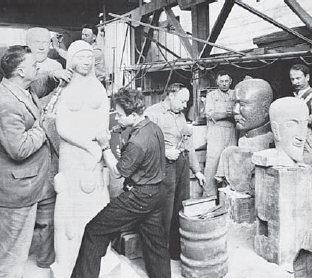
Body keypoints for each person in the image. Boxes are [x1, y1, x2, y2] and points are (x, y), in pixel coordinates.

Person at [70, 88, 171, 278]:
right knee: (156, 244)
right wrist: (120, 129)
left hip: (139, 196)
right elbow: (133, 135)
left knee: (94, 231)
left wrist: (104, 145)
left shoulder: (137, 143)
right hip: (157, 193)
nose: (116, 118)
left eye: (119, 115)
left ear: (133, 115)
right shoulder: (152, 127)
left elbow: (117, 172)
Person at [0, 45, 71, 278]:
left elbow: (38, 85)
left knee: (42, 229)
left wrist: (52, 76)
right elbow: (19, 149)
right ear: (19, 70)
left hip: (36, 181)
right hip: (16, 189)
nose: (38, 66)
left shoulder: (23, 88)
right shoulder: (4, 103)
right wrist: (43, 125)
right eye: (33, 65)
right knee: (10, 255)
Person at [50, 40, 115, 278]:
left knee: (97, 201)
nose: (86, 62)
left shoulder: (98, 88)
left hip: (95, 153)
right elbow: (62, 126)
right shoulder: (65, 89)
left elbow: (103, 120)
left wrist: (99, 145)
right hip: (74, 153)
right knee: (71, 206)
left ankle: (97, 257)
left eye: (90, 58)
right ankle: (70, 259)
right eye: (81, 57)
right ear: (72, 59)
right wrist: (88, 146)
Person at [144, 83, 206, 260]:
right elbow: (144, 144)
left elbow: (188, 144)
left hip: (182, 165)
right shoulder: (153, 113)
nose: (185, 106)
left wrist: (197, 170)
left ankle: (174, 251)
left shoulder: (180, 115)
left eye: (187, 102)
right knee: (165, 210)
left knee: (180, 207)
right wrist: (164, 153)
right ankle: (159, 255)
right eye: (182, 101)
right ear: (171, 95)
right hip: (164, 166)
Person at [26, 26, 67, 269]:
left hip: (52, 142)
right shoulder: (23, 68)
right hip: (28, 143)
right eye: (37, 42)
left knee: (47, 204)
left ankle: (44, 257)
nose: (43, 46)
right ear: (27, 43)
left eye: (46, 41)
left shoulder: (56, 67)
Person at [215, 78, 274, 195]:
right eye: (234, 104)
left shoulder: (270, 143)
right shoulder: (240, 142)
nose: (235, 111)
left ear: (265, 110)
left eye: (242, 104)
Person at [203, 70, 237, 196]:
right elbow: (211, 115)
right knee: (212, 163)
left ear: (231, 81)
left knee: (230, 162)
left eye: (226, 81)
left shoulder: (235, 94)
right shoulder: (211, 96)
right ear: (217, 82)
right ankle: (209, 196)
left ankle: (226, 196)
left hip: (232, 131)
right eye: (221, 81)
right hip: (216, 133)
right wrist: (227, 114)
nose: (224, 84)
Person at [289, 64, 312, 156]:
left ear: (307, 77)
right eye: (292, 79)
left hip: (311, 140)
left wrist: (295, 116)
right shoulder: (294, 96)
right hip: (297, 140)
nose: (295, 82)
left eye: (298, 78)